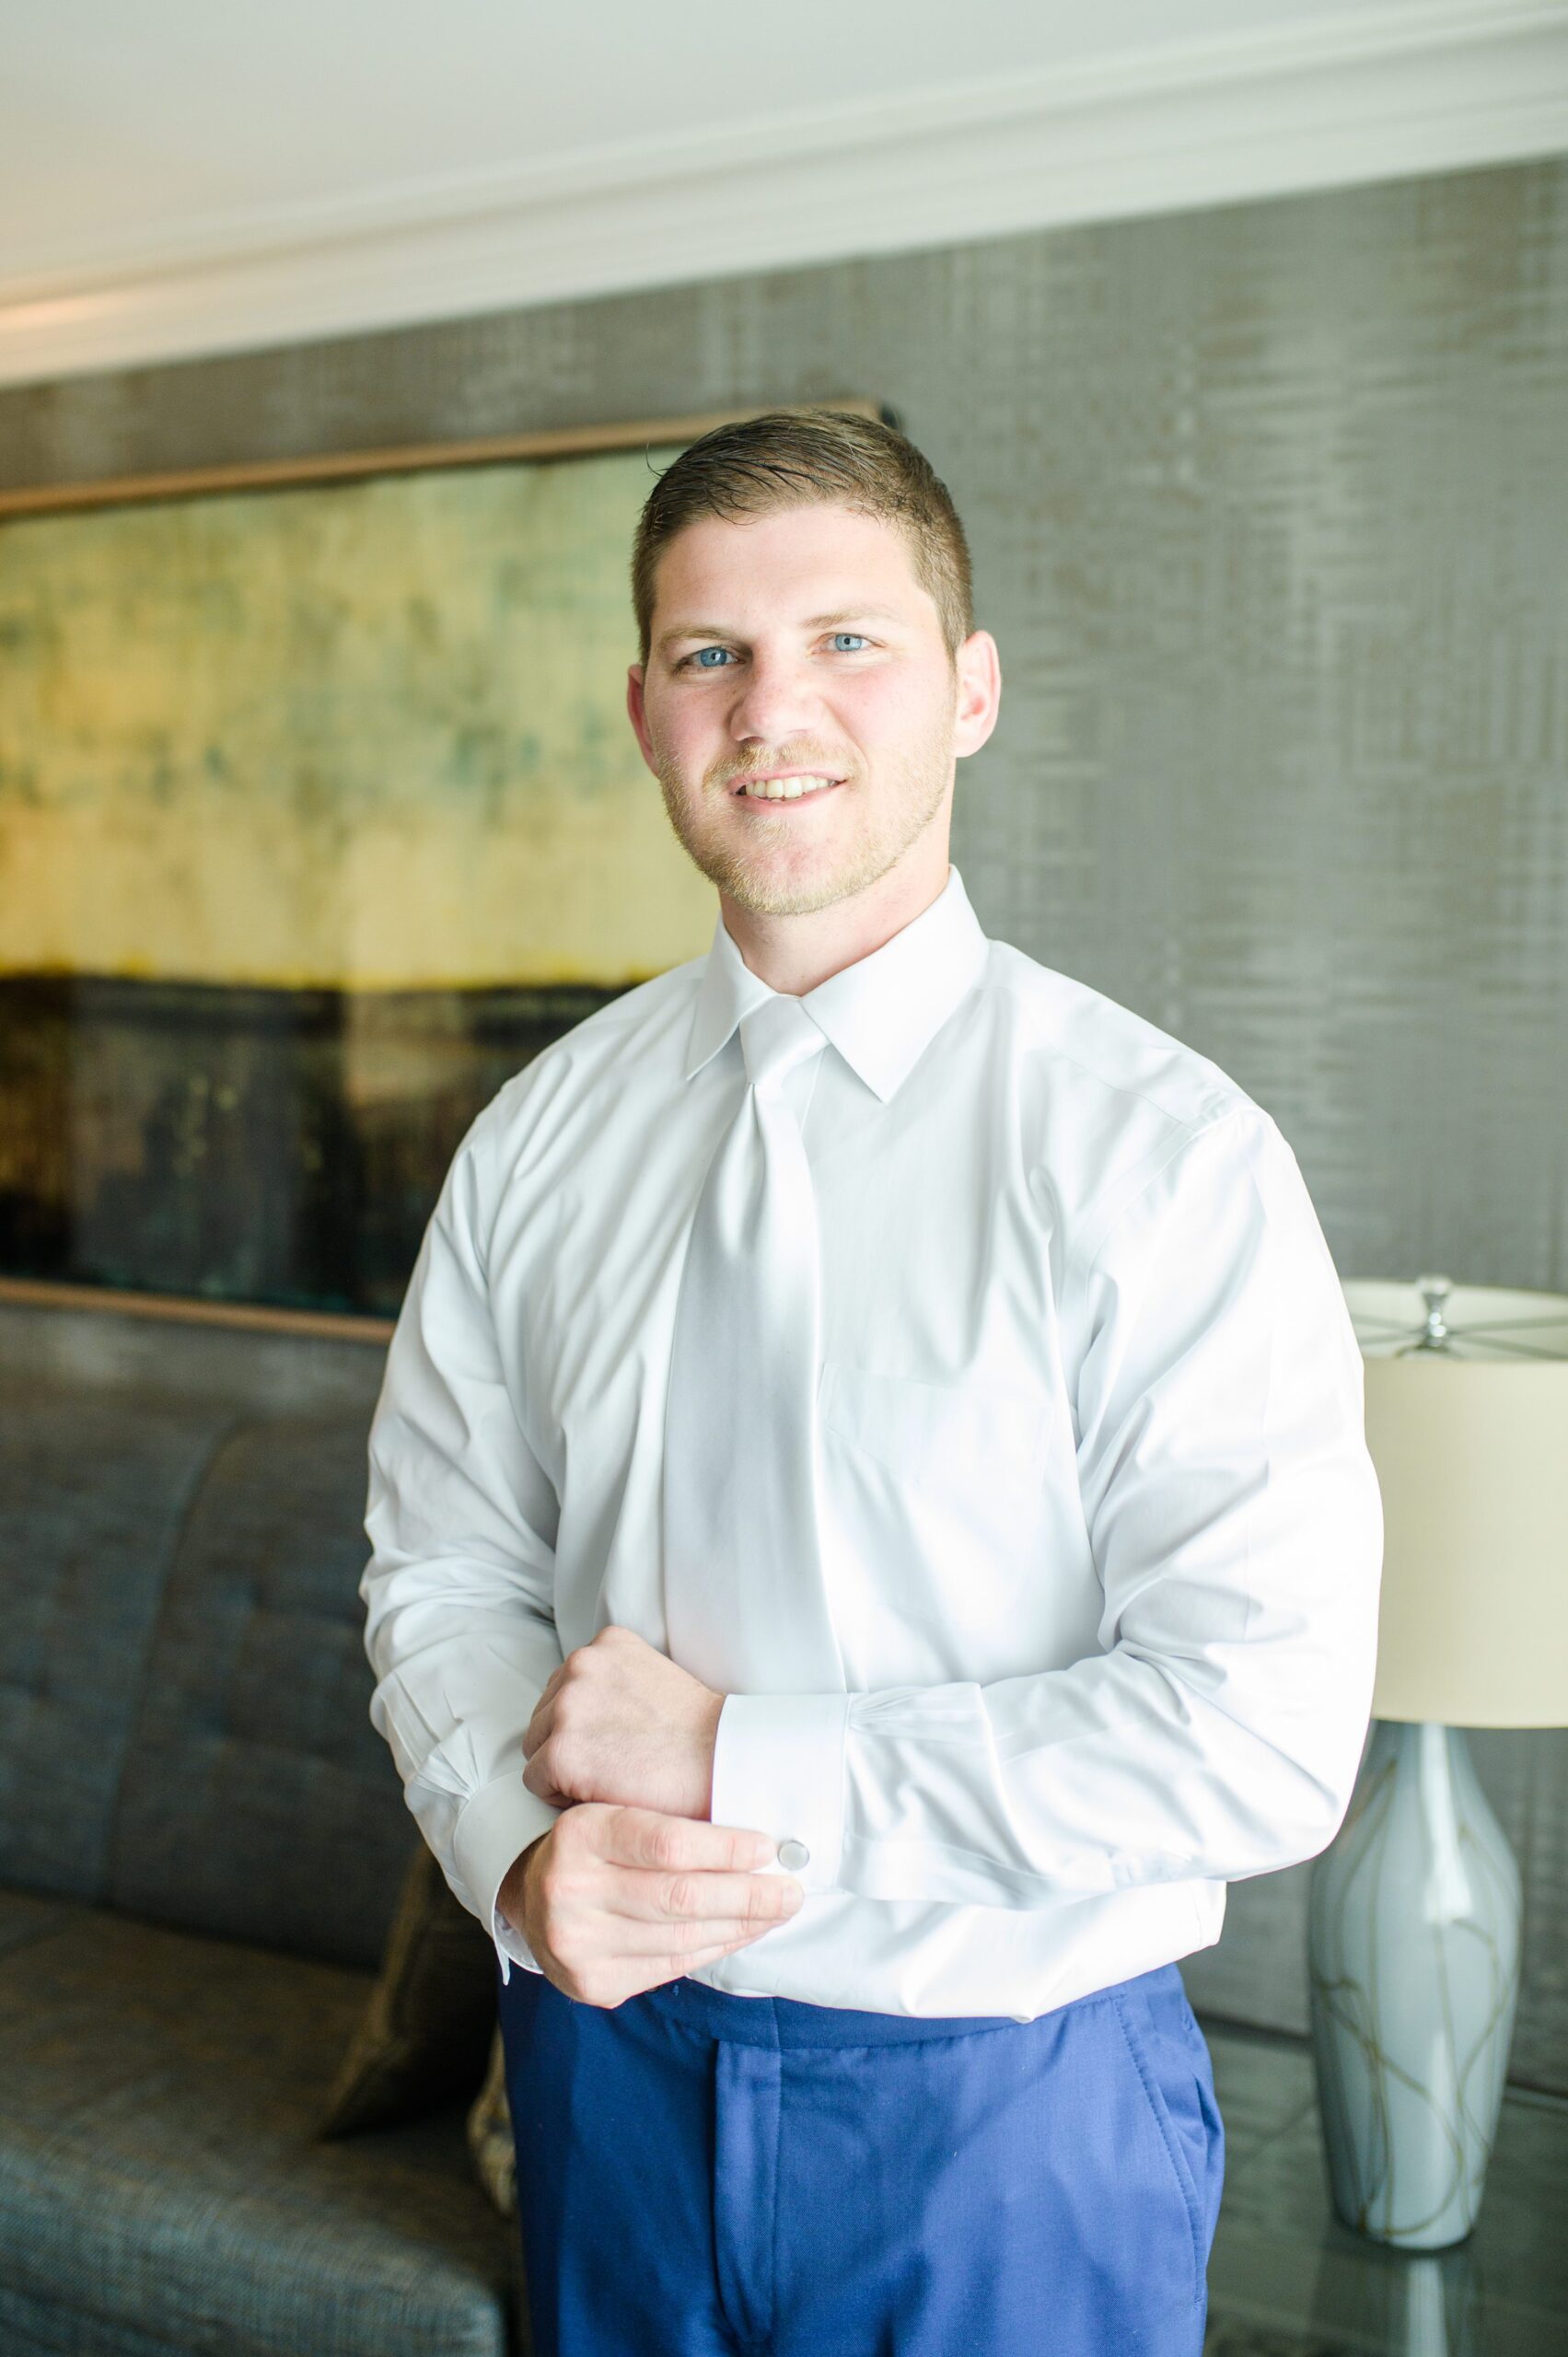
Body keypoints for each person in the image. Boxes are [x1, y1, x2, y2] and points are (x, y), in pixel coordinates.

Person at [359, 407, 1383, 2356]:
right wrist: (511, 1847)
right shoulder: (531, 1142)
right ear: (643, 709)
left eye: (850, 638)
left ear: (971, 688)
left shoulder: (1166, 1157)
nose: (774, 708)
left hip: (1007, 2114)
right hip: (604, 2085)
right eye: (709, 653)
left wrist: (739, 1759)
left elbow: (1262, 1728)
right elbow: (442, 1575)